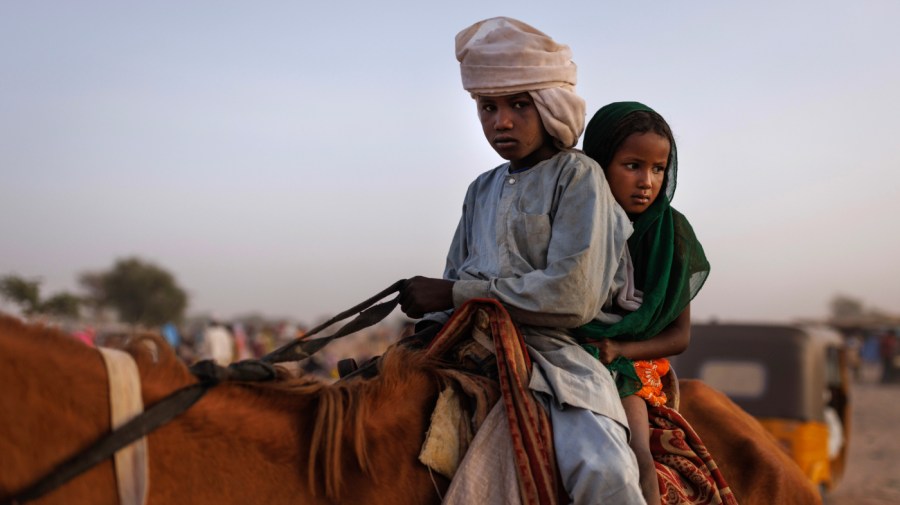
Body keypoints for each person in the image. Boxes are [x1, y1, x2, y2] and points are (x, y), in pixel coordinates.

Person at [399, 17, 644, 504]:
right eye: (488, 108)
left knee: (606, 474)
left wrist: (452, 294)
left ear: (551, 105)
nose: (501, 121)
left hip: (556, 362)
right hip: (467, 346)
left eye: (518, 104)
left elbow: (570, 297)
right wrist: (432, 314)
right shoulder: (480, 189)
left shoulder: (580, 178)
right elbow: (453, 276)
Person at [577, 102, 710, 504]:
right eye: (632, 165)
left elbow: (679, 336)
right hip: (565, 348)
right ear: (598, 165)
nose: (647, 182)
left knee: (634, 456)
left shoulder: (674, 235)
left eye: (657, 169)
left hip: (629, 364)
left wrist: (619, 347)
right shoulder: (576, 224)